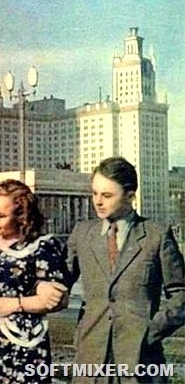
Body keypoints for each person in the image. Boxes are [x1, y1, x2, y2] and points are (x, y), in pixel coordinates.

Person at [67, 156, 185, 383]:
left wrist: (150, 331)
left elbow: (181, 295)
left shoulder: (156, 236)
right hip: (90, 361)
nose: (98, 202)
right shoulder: (82, 233)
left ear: (130, 196)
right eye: (94, 193)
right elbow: (57, 281)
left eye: (107, 195)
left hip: (141, 362)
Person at [0, 180, 69, 383]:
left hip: (22, 347)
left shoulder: (41, 247)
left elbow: (59, 300)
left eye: (1, 215)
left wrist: (16, 304)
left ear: (22, 217)